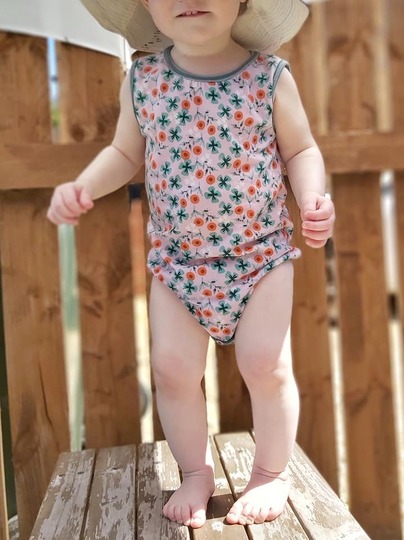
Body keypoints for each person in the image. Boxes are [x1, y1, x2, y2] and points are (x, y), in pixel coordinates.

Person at [47, 0, 335, 529]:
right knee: (173, 370)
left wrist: (312, 197)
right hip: (179, 265)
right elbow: (125, 153)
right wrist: (84, 186)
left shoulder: (268, 77)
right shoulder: (145, 80)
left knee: (265, 364)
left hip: (259, 256)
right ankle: (196, 472)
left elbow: (301, 151)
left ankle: (270, 473)